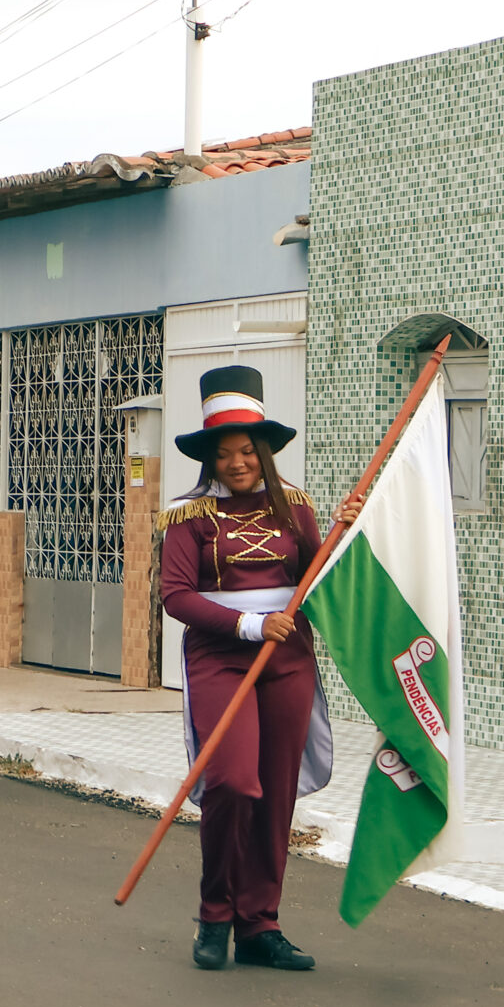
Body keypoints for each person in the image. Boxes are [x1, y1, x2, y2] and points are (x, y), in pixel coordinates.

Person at [160, 367, 356, 973]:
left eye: (247, 450)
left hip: (288, 661)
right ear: (209, 458)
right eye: (224, 454)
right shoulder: (187, 516)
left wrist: (345, 534)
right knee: (233, 781)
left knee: (275, 794)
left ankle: (259, 925)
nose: (237, 463)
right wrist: (249, 625)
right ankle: (214, 913)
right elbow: (176, 595)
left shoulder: (295, 507)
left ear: (264, 450)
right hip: (220, 658)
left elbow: (318, 579)